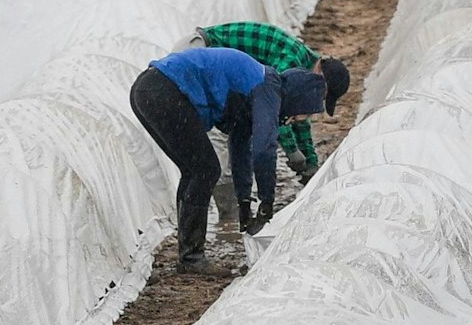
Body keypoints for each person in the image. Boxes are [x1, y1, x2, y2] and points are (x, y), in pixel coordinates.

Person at [129, 48, 327, 269]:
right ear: (298, 100)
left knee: (195, 170)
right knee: (205, 170)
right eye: (302, 114)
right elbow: (264, 149)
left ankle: (189, 254)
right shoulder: (268, 89)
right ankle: (192, 257)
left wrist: (244, 201)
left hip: (148, 89)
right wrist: (266, 202)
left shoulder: (255, 90)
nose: (296, 120)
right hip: (163, 90)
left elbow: (240, 146)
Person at [194, 22, 349, 184]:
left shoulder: (305, 70)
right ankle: (220, 205)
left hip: (215, 66)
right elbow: (274, 108)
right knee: (219, 147)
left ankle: (235, 204)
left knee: (232, 142)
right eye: (322, 95)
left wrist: (311, 161)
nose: (317, 99)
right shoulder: (291, 61)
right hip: (201, 53)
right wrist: (292, 151)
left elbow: (298, 116)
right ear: (321, 75)